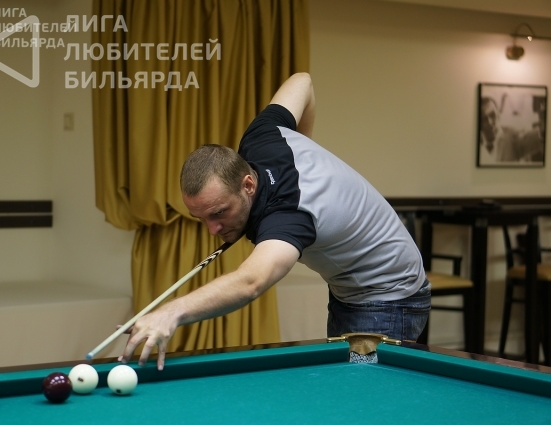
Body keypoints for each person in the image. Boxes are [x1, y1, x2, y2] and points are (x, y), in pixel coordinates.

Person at [120, 73, 430, 370]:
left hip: (389, 296)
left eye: (219, 213)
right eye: (200, 218)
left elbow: (251, 282)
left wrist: (171, 312)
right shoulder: (262, 135)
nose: (213, 230)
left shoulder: (289, 215)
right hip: (349, 290)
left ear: (248, 185)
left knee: (362, 399)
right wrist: (302, 143)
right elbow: (302, 81)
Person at [478, 96, 523, 164]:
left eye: (492, 115)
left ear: (498, 114)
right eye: (483, 119)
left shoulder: (513, 136)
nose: (490, 122)